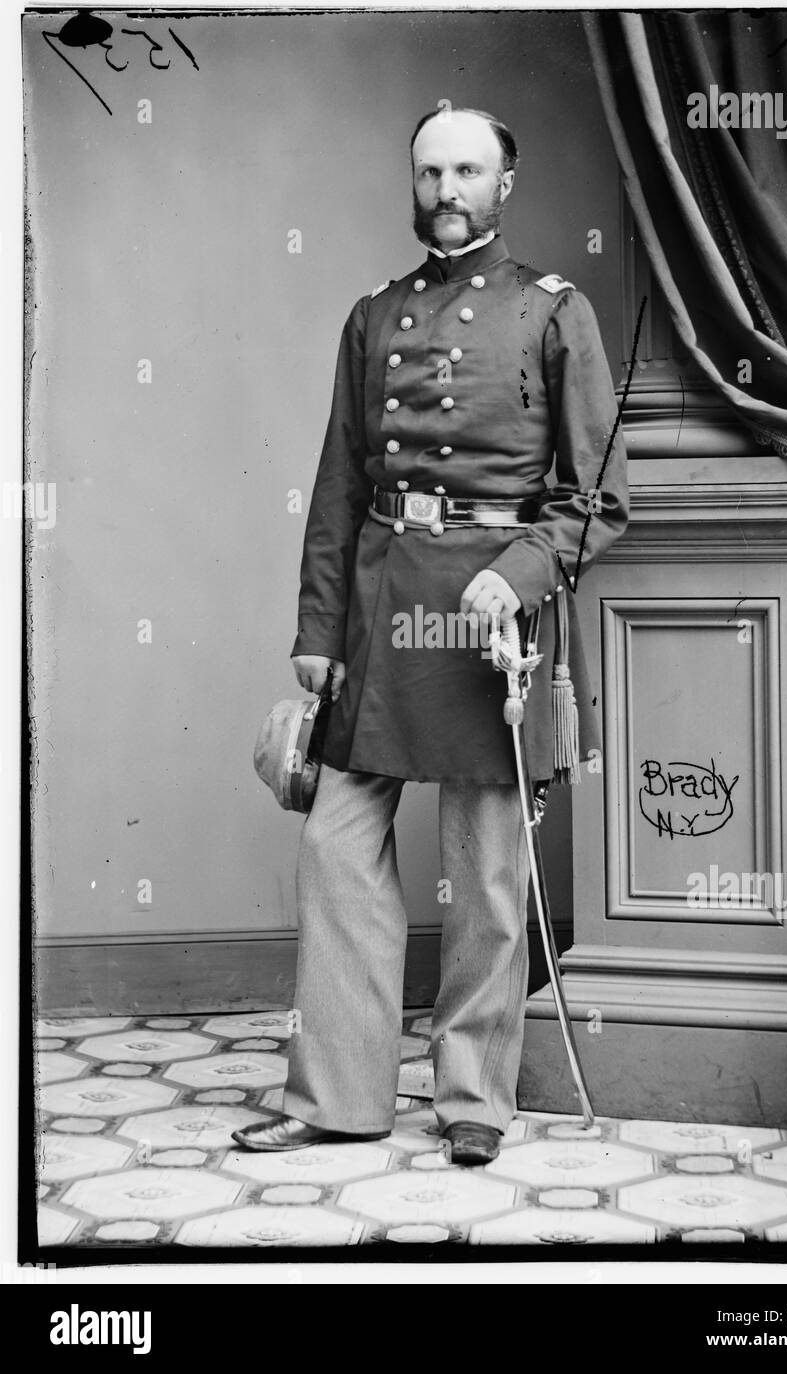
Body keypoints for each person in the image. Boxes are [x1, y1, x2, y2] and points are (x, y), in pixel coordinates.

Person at [233, 106, 629, 1165]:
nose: (446, 188)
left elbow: (596, 497)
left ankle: (473, 1101)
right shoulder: (373, 314)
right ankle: (339, 1097)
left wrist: (520, 573)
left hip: (495, 617)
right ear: (412, 183)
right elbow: (339, 481)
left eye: (467, 170)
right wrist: (318, 627)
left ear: (506, 183)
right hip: (382, 601)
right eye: (429, 171)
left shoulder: (555, 311)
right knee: (336, 848)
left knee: (487, 870)